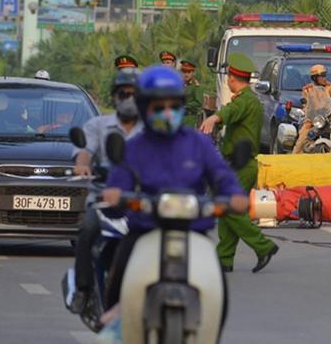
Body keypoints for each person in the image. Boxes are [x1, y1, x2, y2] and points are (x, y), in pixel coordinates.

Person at [100, 66, 248, 314]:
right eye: (159, 107)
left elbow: (221, 173)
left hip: (193, 229)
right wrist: (114, 196)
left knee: (218, 290)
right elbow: (119, 183)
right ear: (145, 108)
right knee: (119, 274)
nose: (167, 113)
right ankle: (114, 325)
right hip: (145, 229)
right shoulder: (134, 147)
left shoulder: (198, 143)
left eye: (174, 106)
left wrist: (234, 195)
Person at [67, 68, 143, 314]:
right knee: (87, 230)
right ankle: (83, 289)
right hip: (103, 200)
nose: (128, 98)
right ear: (115, 96)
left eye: (134, 94)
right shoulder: (98, 125)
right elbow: (84, 152)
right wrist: (82, 164)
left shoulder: (153, 130)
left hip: (141, 202)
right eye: (123, 93)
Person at [200, 53, 279, 273]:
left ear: (233, 79)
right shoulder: (248, 99)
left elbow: (230, 111)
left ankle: (263, 246)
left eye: (229, 78)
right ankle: (224, 258)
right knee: (226, 211)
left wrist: (215, 117)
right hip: (237, 164)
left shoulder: (245, 101)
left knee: (231, 210)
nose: (227, 82)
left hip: (241, 166)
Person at [292, 64, 331, 154]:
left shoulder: (329, 87)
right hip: (312, 120)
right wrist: (305, 105)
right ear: (315, 78)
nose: (324, 78)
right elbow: (306, 100)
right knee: (302, 138)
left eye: (325, 76)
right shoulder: (308, 89)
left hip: (327, 118)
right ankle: (293, 160)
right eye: (322, 76)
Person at [180, 59, 203, 126]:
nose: (186, 74)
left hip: (189, 118)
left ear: (193, 73)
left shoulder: (196, 86)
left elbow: (198, 102)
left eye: (189, 72)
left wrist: (185, 106)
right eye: (184, 72)